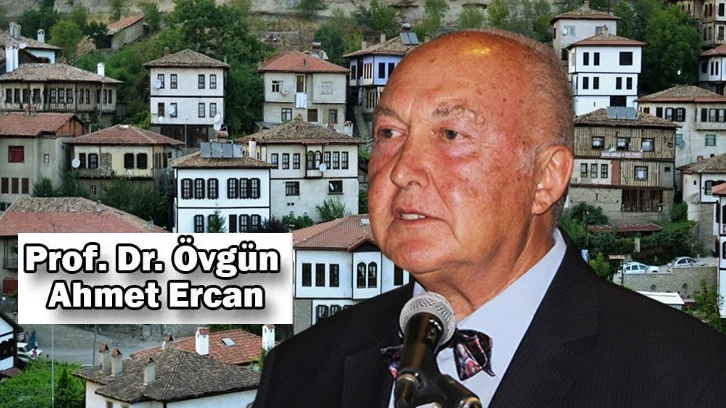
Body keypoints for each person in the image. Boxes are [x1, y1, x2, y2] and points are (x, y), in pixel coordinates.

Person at [253, 29, 726, 407]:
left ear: (545, 177)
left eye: (451, 134)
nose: (401, 170)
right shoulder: (299, 371)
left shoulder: (691, 380)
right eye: (389, 133)